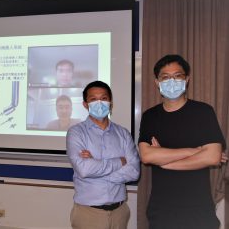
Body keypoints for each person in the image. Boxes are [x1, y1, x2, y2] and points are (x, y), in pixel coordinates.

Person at [138, 54, 227, 229]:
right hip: (161, 211)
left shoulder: (203, 112)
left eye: (177, 76)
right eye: (165, 77)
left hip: (198, 211)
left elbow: (213, 157)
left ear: (187, 80)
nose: (172, 81)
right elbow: (147, 156)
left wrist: (165, 161)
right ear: (157, 82)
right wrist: (195, 151)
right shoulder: (150, 116)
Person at [66, 80, 140, 229]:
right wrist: (120, 162)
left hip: (120, 212)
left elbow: (134, 172)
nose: (99, 102)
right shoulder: (76, 132)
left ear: (110, 102)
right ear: (85, 105)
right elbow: (84, 170)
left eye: (104, 98)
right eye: (93, 99)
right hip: (88, 214)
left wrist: (97, 165)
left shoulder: (123, 133)